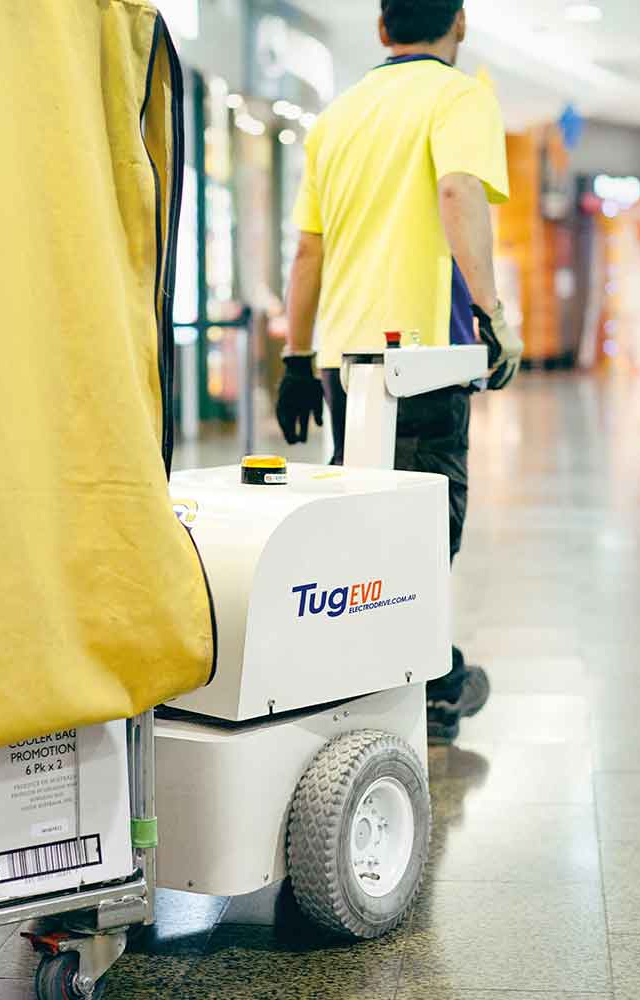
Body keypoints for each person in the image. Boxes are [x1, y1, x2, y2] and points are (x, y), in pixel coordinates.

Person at [273, 0, 522, 744]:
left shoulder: (338, 116)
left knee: (362, 511)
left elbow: (308, 251)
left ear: (382, 30)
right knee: (420, 524)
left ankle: (392, 669)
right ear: (462, 23)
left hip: (343, 358)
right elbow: (457, 192)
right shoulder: (459, 95)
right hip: (419, 357)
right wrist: (493, 313)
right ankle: (422, 677)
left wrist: (294, 357)